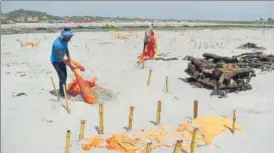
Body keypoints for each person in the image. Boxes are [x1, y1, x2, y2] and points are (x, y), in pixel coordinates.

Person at [50, 27, 74, 97]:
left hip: (62, 60)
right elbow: (61, 57)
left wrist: (68, 56)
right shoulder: (57, 44)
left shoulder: (65, 40)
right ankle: (63, 93)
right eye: (69, 37)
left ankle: (62, 89)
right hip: (56, 61)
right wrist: (70, 65)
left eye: (70, 37)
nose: (70, 38)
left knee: (64, 76)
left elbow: (66, 48)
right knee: (62, 77)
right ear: (64, 36)